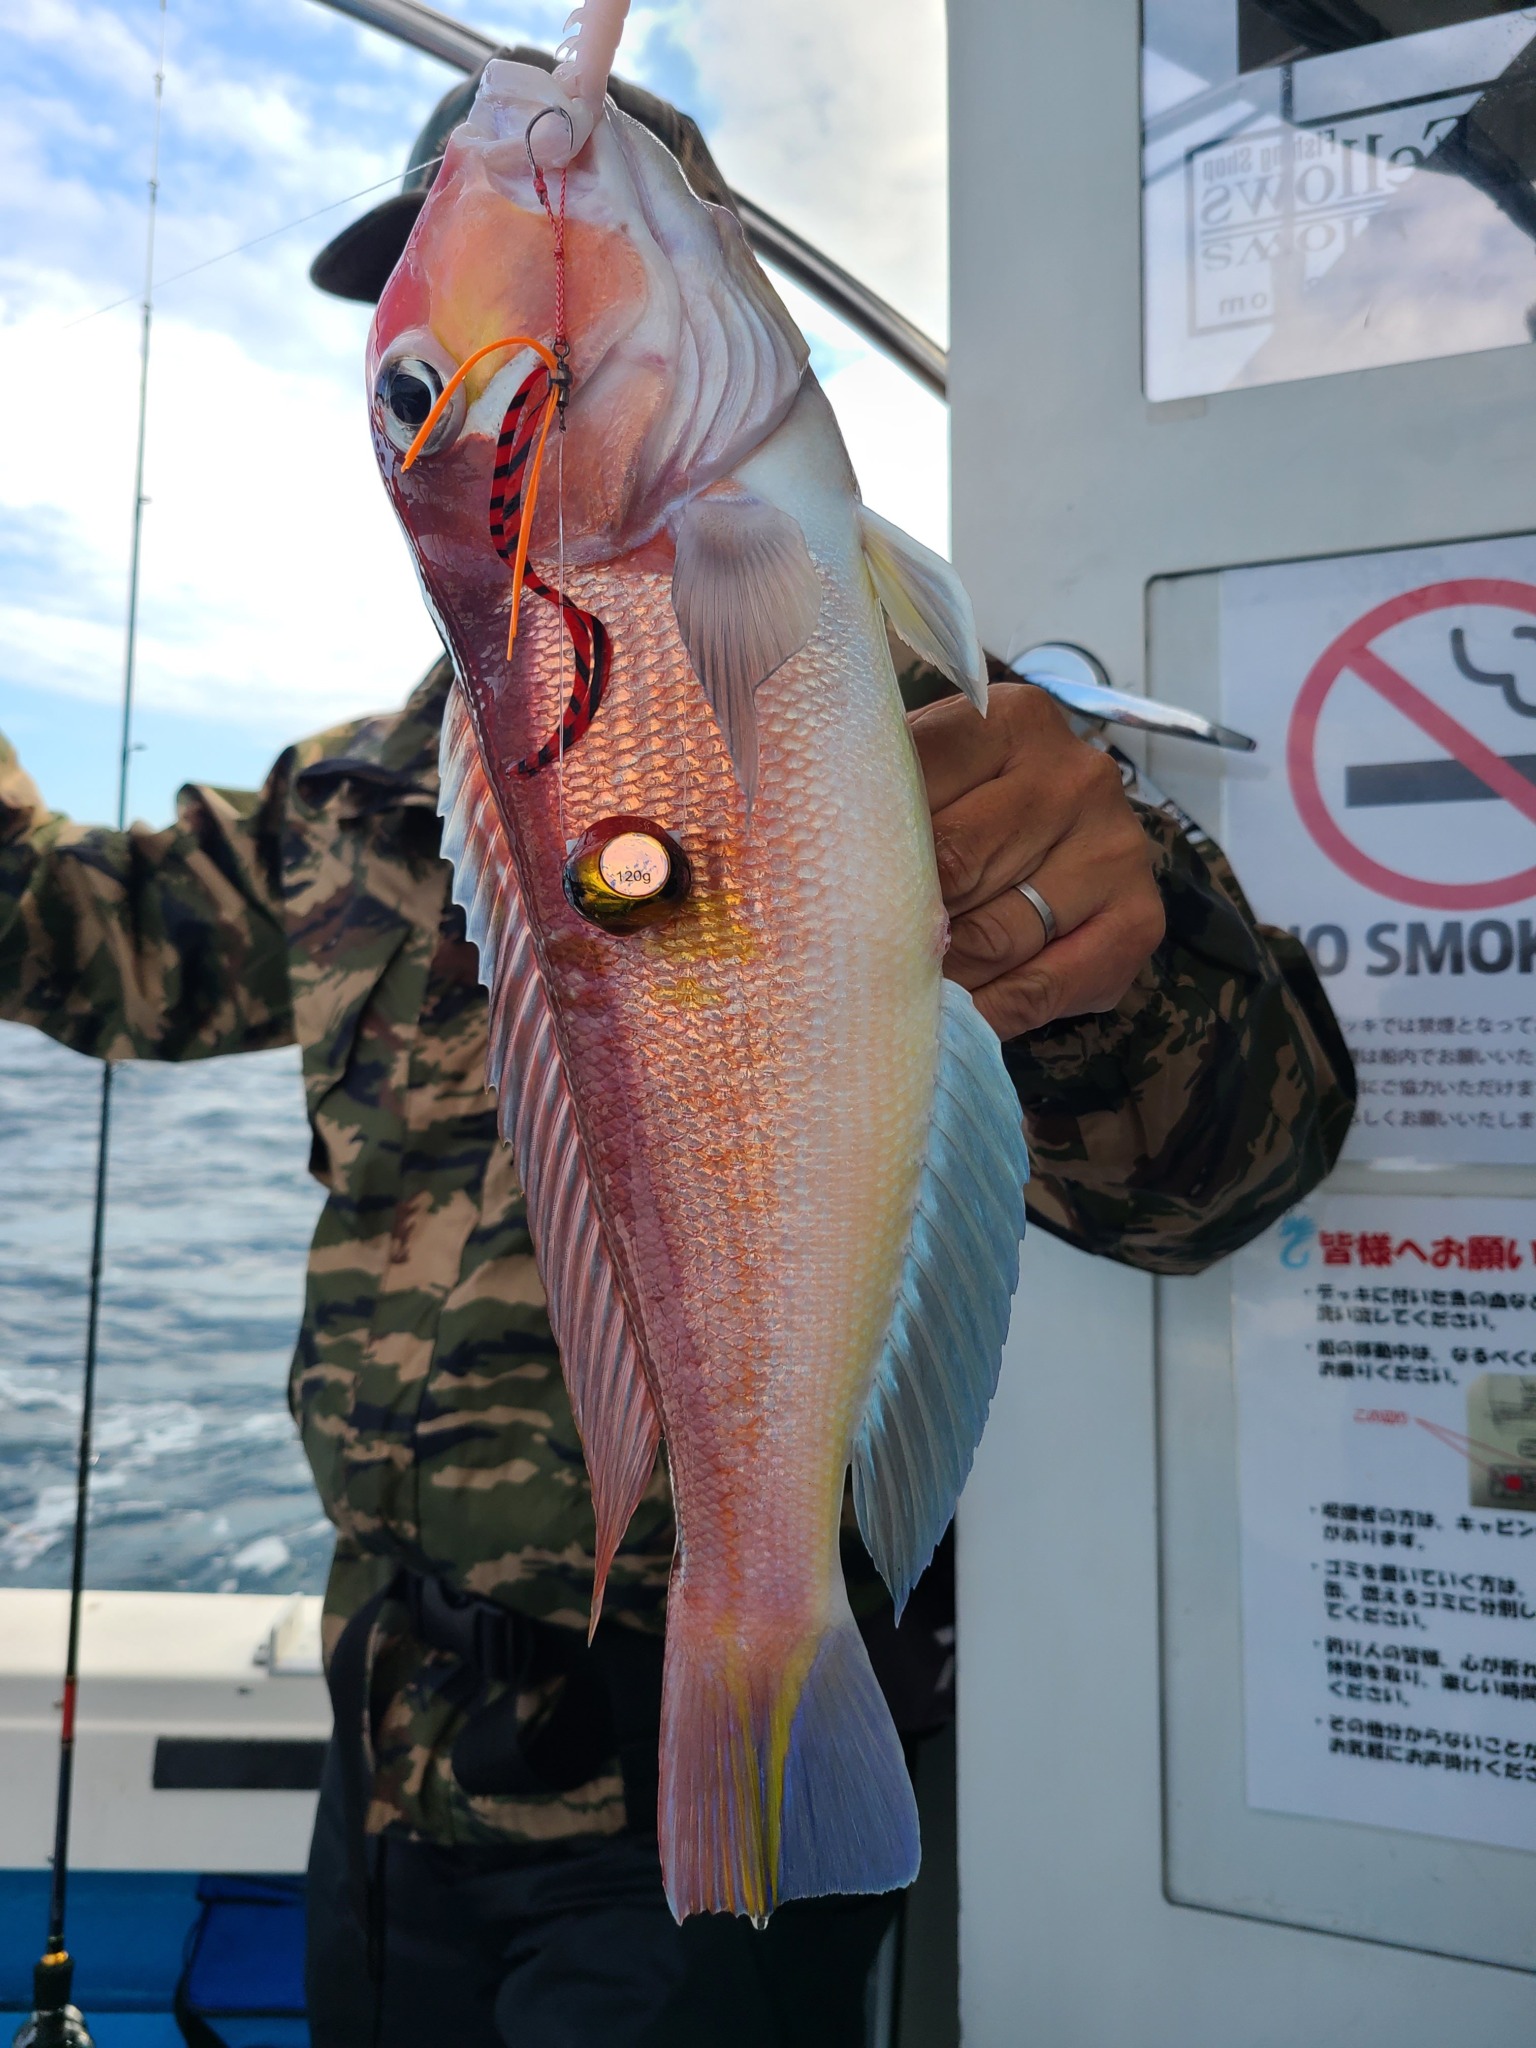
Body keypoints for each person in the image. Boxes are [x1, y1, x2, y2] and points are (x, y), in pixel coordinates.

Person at [0, 54, 1354, 2048]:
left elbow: (1229, 1160)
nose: (496, 364)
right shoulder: (343, 802)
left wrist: (1107, 933)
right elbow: (74, 939)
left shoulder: (897, 722)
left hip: (697, 1746)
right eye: (430, 336)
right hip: (389, 1749)